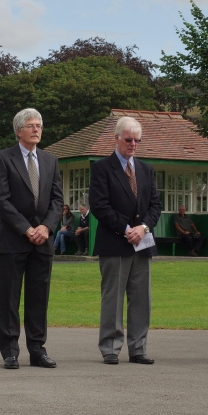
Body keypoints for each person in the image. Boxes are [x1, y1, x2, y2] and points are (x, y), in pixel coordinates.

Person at [0, 108, 63, 370]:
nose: (36, 129)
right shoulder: (3, 158)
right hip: (13, 240)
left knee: (38, 298)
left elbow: (57, 200)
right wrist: (26, 228)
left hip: (42, 241)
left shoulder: (50, 160)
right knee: (9, 298)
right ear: (18, 130)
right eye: (31, 125)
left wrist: (46, 227)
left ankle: (37, 350)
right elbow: (0, 199)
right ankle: (10, 351)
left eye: (39, 126)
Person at [89, 116, 162, 365]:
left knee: (142, 299)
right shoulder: (101, 168)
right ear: (117, 138)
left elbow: (155, 205)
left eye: (137, 140)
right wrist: (126, 229)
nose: (133, 144)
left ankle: (138, 348)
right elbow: (99, 206)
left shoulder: (146, 169)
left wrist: (143, 228)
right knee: (113, 298)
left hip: (142, 244)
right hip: (114, 244)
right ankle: (110, 347)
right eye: (128, 139)